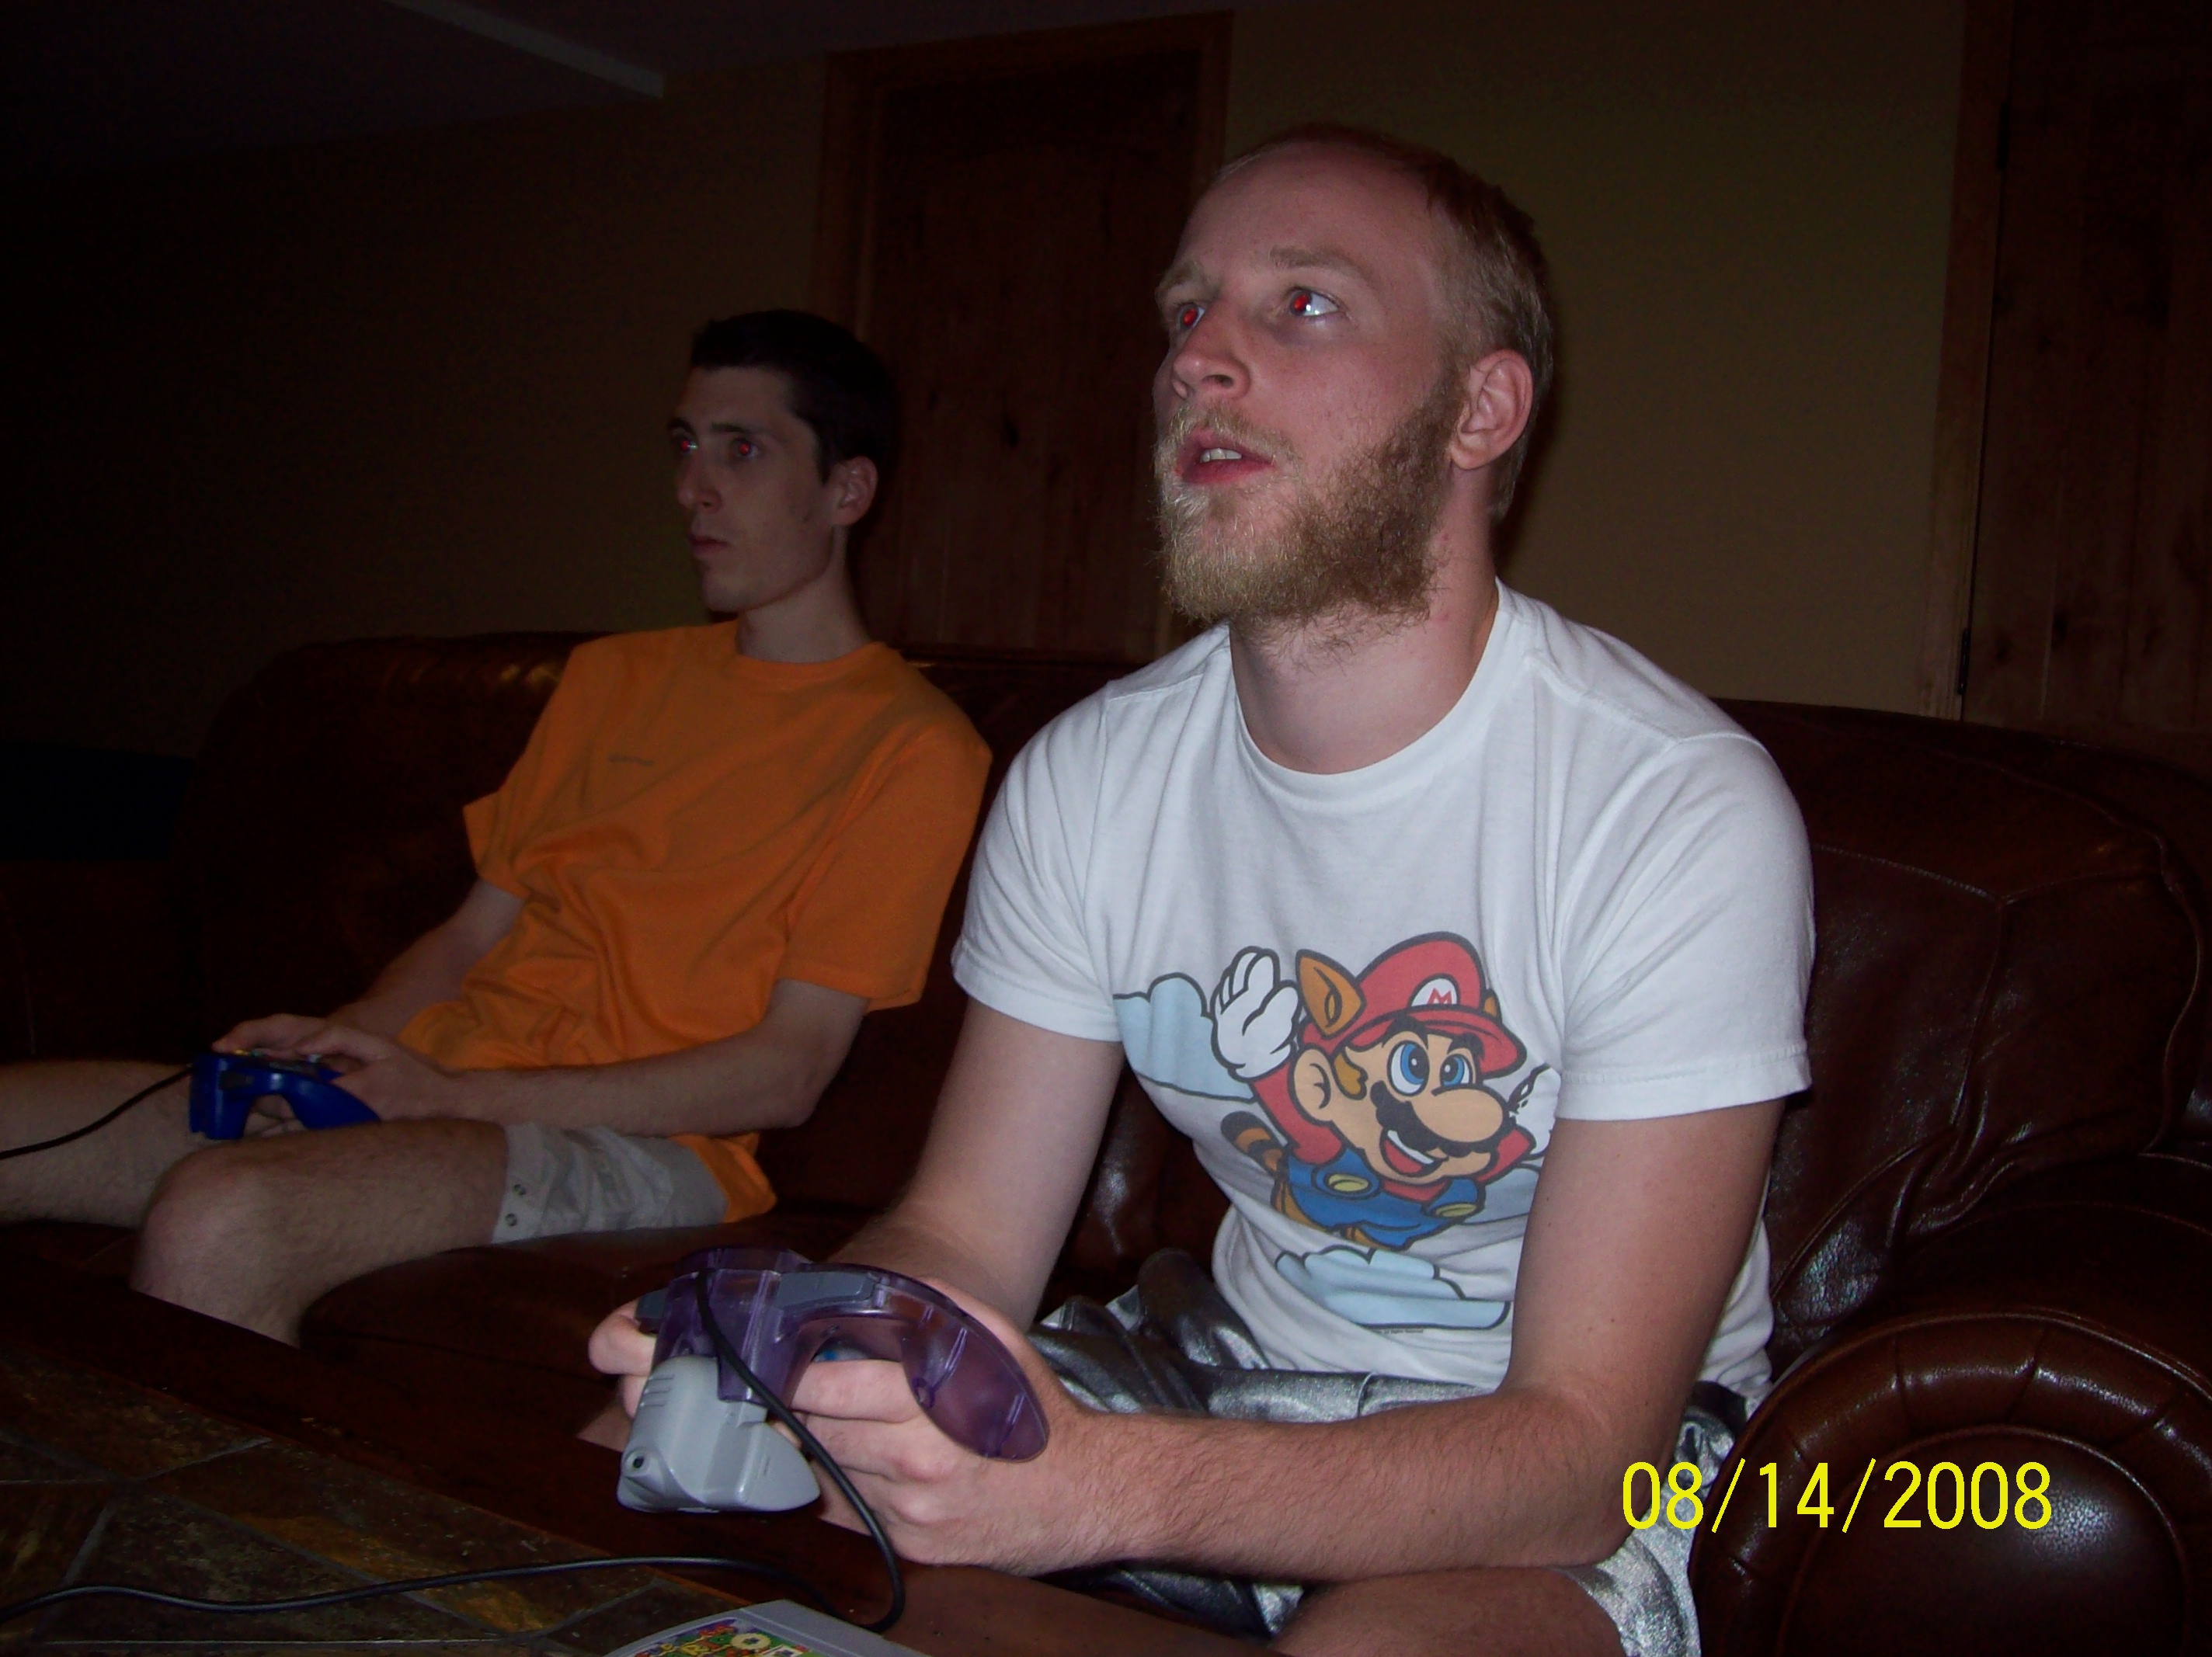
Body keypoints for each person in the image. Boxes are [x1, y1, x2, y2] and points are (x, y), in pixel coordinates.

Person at [591, 130, 1813, 1657]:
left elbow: (1574, 1453)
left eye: (1302, 305)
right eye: (1185, 312)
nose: (1195, 362)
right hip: (1223, 1363)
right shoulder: (1089, 775)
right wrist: (795, 1347)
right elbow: (967, 1234)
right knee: (646, 1469)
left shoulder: (1668, 807)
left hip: (1597, 1455)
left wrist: (1098, 1490)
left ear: (1480, 408)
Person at [0, 311, 992, 1348]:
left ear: (847, 491)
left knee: (220, 1215)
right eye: (685, 444)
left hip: (652, 1145)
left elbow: (788, 1071)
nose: (692, 487)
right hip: (449, 1085)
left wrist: (453, 1094)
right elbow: (472, 936)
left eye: (742, 450)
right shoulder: (613, 677)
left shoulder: (911, 744)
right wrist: (345, 1040)